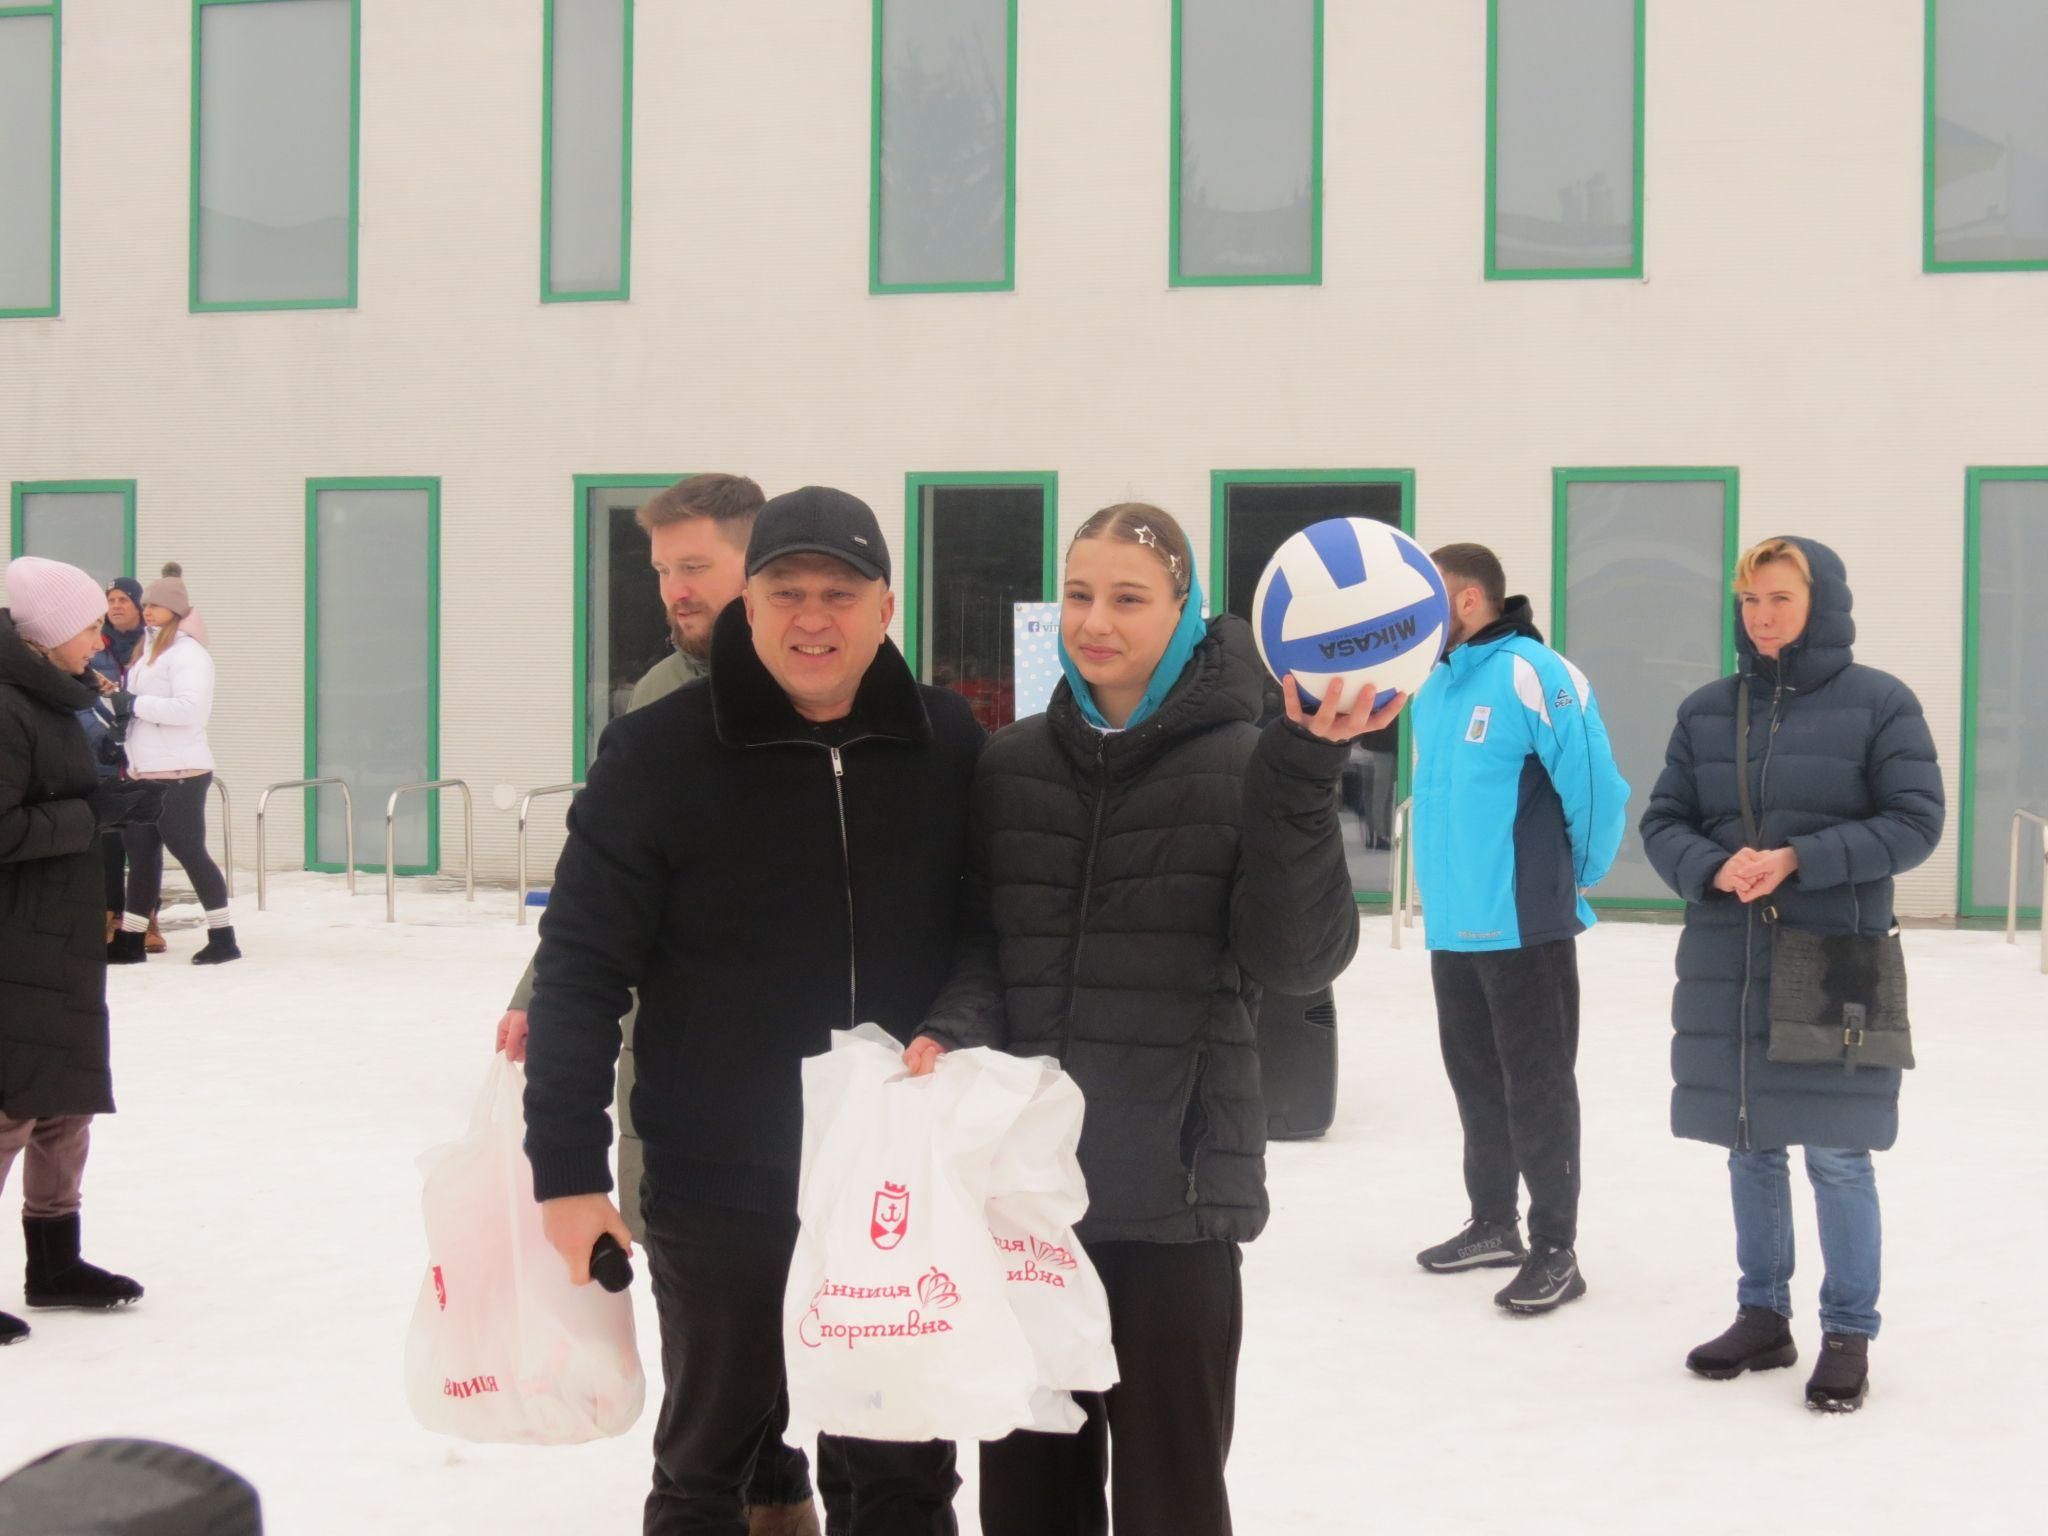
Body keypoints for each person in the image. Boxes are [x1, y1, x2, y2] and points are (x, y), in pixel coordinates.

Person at [904, 504, 1385, 1536]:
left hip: (1176, 1201)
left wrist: (1303, 774)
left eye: (1128, 598)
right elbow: (985, 944)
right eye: (1078, 594)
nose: (1096, 621)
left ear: (1184, 612)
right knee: (1030, 1501)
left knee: (1171, 1499)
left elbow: (1297, 960)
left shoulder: (1257, 759)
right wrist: (948, 1024)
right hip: (1031, 1206)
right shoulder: (1010, 764)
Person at [523, 487, 979, 1536]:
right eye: (785, 593)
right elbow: (581, 968)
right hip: (720, 1181)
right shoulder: (658, 754)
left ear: (885, 606)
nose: (810, 618)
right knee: (710, 1462)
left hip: (891, 1183)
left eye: (837, 592)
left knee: (902, 1471)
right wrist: (567, 1174)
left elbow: (983, 933)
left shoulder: (947, 741)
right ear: (749, 605)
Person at [495, 473, 823, 1536]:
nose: (674, 591)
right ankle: (760, 1496)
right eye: (662, 573)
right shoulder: (656, 701)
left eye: (695, 567)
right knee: (707, 1325)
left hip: (807, 1072)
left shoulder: (826, 696)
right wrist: (536, 996)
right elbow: (598, 890)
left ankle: (778, 1487)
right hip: (684, 1072)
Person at [1640, 537, 1941, 1412]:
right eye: (1749, 602)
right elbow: (1664, 820)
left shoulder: (1881, 703)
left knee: (1839, 1154)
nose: (1762, 617)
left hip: (1835, 959)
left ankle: (1848, 1330)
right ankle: (1762, 1315)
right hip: (1729, 960)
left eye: (1778, 599)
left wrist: (1799, 858)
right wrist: (1710, 865)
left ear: (1822, 603)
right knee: (1749, 1143)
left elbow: (1917, 821)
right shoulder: (1707, 710)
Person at [1407, 543, 1629, 1314]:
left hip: (1524, 925)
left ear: (1468, 601)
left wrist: (1574, 875)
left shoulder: (1536, 674)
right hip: (1454, 927)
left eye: (1426, 599)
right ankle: (1494, 1223)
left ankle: (1557, 1248)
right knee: (1476, 1084)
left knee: (1538, 1089)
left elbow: (1595, 784)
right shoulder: (1431, 686)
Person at [1, 557, 164, 1346]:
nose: (103, 634)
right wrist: (88, 812)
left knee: (66, 1101)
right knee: (11, 1105)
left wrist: (112, 799)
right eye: (90, 623)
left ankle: (54, 1262)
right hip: (15, 934)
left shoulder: (63, 698)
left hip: (61, 930)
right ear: (46, 633)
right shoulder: (8, 707)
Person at [109, 574, 239, 966]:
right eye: (145, 603)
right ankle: (131, 939)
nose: (146, 609)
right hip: (145, 771)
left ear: (177, 610)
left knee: (187, 849)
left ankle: (223, 935)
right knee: (141, 853)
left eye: (156, 604)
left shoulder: (188, 654)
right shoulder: (150, 649)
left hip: (181, 771)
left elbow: (190, 710)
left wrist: (133, 705)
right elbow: (142, 705)